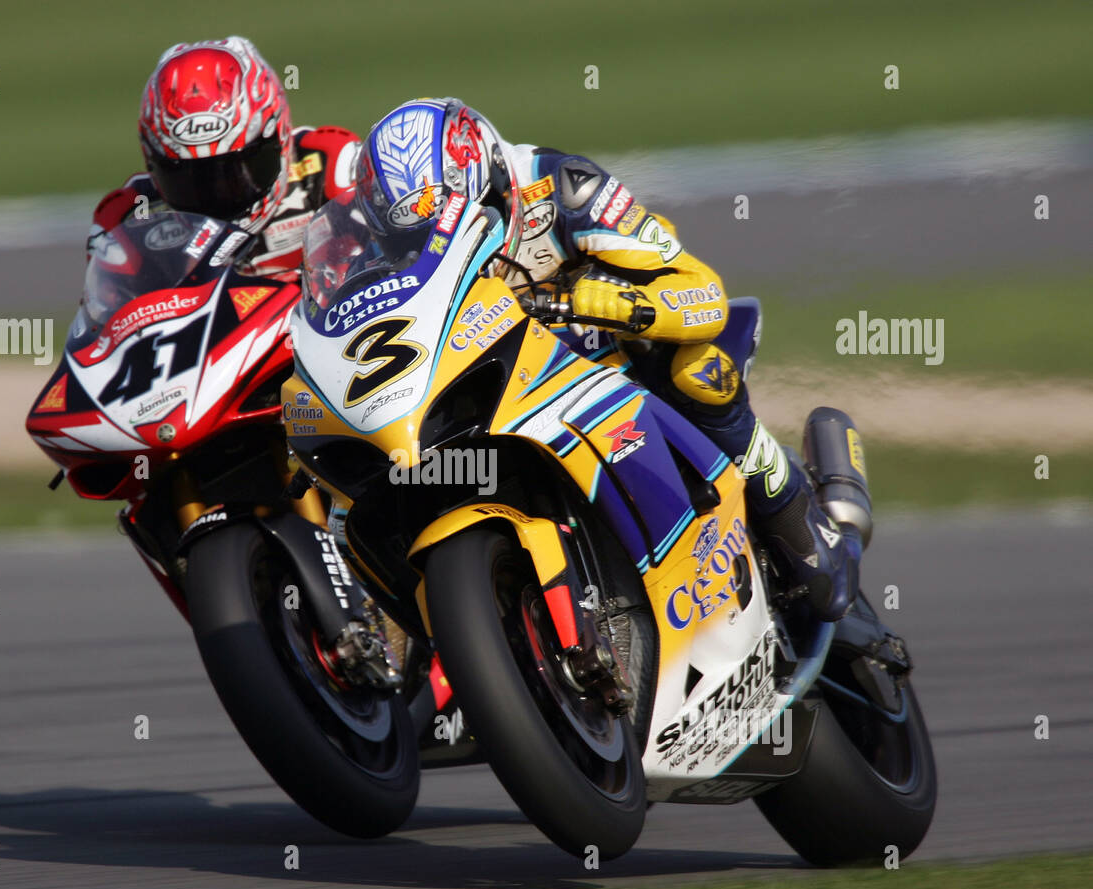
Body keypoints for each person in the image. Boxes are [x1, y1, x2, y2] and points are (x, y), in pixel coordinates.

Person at [352, 98, 856, 621]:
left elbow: (701, 293)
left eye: (453, 221)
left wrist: (618, 304)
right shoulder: (387, 255)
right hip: (502, 383)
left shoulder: (563, 185)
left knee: (698, 373)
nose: (432, 241)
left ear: (492, 181)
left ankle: (797, 521)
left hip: (610, 355)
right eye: (410, 237)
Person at [85, 37, 359, 285]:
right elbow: (105, 329)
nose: (216, 192)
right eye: (191, 180)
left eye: (235, 172)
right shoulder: (128, 220)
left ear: (277, 138)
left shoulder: (330, 168)